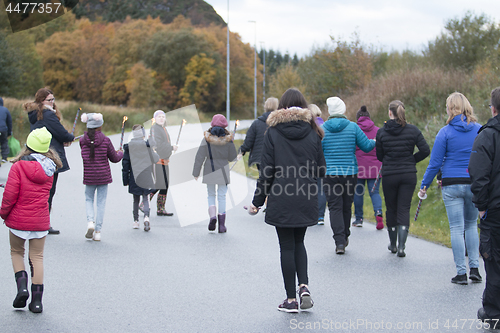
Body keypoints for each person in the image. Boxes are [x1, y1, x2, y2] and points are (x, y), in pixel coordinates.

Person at [249, 88, 326, 313]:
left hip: (282, 195)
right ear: (304, 107)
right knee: (299, 243)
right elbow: (321, 169)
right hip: (305, 195)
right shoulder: (314, 132)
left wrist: (257, 201)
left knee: (286, 247)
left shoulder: (272, 133)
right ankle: (304, 287)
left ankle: (291, 300)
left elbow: (267, 173)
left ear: (282, 108)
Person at [419, 93, 481, 284]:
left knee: (456, 227)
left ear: (450, 109)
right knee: (471, 225)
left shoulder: (445, 132)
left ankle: (461, 273)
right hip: (473, 183)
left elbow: (435, 163)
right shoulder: (480, 130)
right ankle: (475, 270)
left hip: (451, 184)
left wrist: (424, 186)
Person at [0, 127, 63, 313]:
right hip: (40, 220)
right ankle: (37, 302)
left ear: (28, 144)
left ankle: (22, 288)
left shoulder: (18, 166)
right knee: (37, 257)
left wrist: (3, 213)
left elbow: (10, 196)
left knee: (17, 252)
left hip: (19, 220)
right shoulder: (51, 168)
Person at [376, 100, 430, 257]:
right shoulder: (413, 130)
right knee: (404, 208)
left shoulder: (381, 132)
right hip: (408, 174)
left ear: (389, 113)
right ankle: (402, 246)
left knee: (391, 208)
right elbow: (425, 150)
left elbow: (380, 156)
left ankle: (392, 244)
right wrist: (412, 159)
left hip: (390, 175)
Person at [322, 97, 375, 254]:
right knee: (346, 205)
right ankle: (344, 235)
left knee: (334, 208)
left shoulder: (322, 129)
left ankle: (339, 241)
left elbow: (316, 151)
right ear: (343, 110)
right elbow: (366, 147)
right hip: (349, 173)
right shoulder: (353, 127)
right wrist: (376, 141)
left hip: (330, 173)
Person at [469, 87, 500, 327]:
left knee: (494, 259)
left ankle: (493, 312)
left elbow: (479, 174)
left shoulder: (488, 135)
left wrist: (481, 206)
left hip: (496, 210)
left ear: (493, 108)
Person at [25, 87, 74, 234]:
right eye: (49, 100)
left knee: (35, 190)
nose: (53, 102)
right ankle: (43, 223)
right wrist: (70, 138)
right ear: (42, 101)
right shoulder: (48, 114)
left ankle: (33, 220)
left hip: (34, 154)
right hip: (50, 156)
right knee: (48, 191)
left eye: (53, 99)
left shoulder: (35, 114)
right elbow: (61, 133)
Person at [80, 113, 123, 241]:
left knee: (88, 199)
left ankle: (90, 222)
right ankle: (98, 232)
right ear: (100, 125)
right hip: (103, 176)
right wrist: (120, 152)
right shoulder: (105, 140)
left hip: (89, 176)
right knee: (101, 203)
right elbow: (114, 159)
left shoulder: (82, 140)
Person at [193, 114, 237, 233]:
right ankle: (222, 225)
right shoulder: (228, 140)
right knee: (222, 196)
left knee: (211, 194)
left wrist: (196, 172)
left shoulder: (206, 139)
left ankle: (212, 217)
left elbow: (200, 156)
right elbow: (232, 157)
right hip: (223, 171)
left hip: (209, 169)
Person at [122, 125, 159, 231]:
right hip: (146, 175)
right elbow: (155, 159)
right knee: (146, 197)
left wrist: (125, 180)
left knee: (135, 199)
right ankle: (146, 217)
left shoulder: (129, 147)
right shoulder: (147, 146)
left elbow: (125, 165)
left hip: (134, 176)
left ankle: (136, 221)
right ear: (143, 134)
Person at [353, 105, 383, 230]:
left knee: (358, 192)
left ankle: (359, 219)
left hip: (359, 167)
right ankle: (378, 213)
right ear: (369, 117)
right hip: (375, 167)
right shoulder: (378, 130)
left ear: (358, 118)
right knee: (374, 192)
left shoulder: (354, 130)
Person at [148, 110, 177, 216]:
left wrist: (170, 148)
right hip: (157, 160)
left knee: (165, 184)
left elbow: (165, 143)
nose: (161, 118)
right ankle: (144, 202)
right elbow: (157, 145)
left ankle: (161, 208)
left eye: (163, 117)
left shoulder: (163, 128)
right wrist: (171, 147)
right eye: (159, 116)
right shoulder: (154, 128)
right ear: (155, 118)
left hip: (165, 160)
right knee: (159, 183)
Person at [309, 104, 326, 225]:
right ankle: (320, 215)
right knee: (321, 189)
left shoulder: (310, 126)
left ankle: (311, 213)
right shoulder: (324, 125)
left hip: (310, 161)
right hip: (323, 161)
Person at [0, 97, 13, 163]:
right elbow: (9, 122)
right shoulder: (5, 110)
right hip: (3, 129)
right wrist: (9, 132)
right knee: (4, 142)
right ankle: (4, 158)